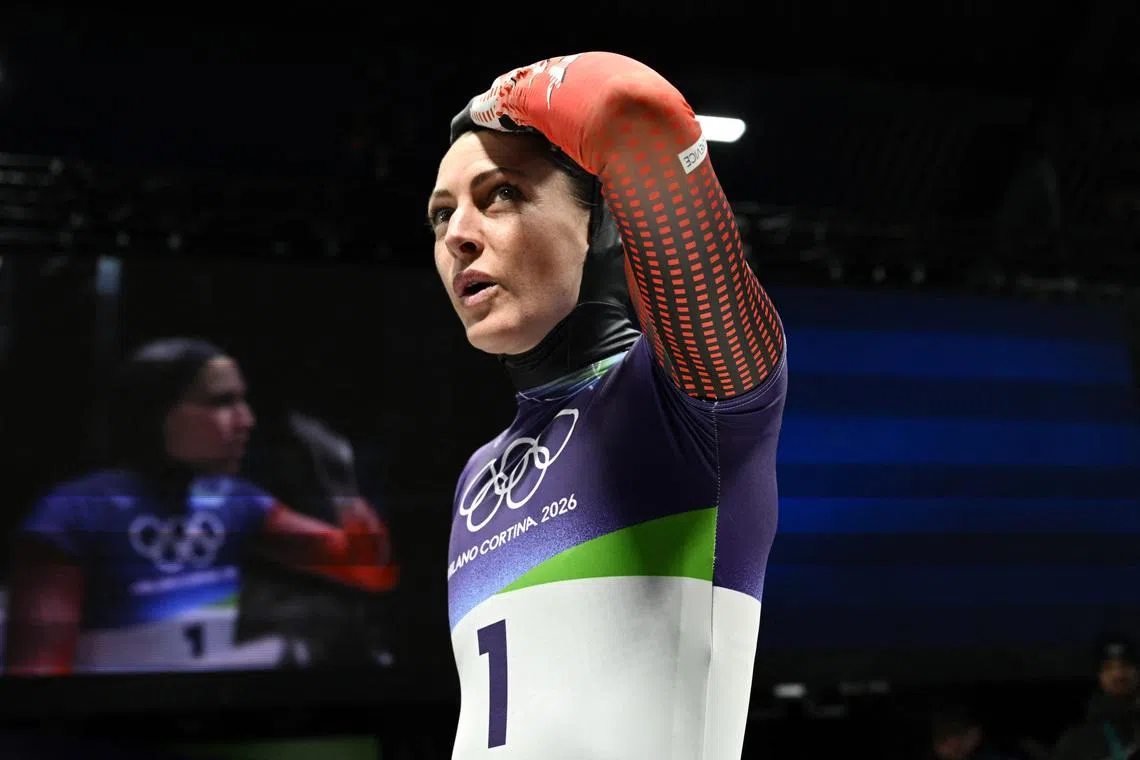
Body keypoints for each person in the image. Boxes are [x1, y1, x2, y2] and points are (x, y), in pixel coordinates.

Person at [430, 53, 786, 758]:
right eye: (441, 215)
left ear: (605, 226)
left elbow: (633, 111)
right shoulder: (479, 474)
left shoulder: (686, 400)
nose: (457, 236)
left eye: (498, 194)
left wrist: (502, 98)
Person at [3, 338, 398, 675]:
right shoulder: (72, 514)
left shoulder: (236, 504)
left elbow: (370, 571)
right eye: (221, 402)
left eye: (243, 401)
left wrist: (342, 485)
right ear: (155, 413)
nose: (246, 420)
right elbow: (39, 680)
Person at [1053, 639, 1140, 760]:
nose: (1118, 674)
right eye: (1108, 668)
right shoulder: (1077, 740)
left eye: (1125, 665)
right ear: (1099, 676)